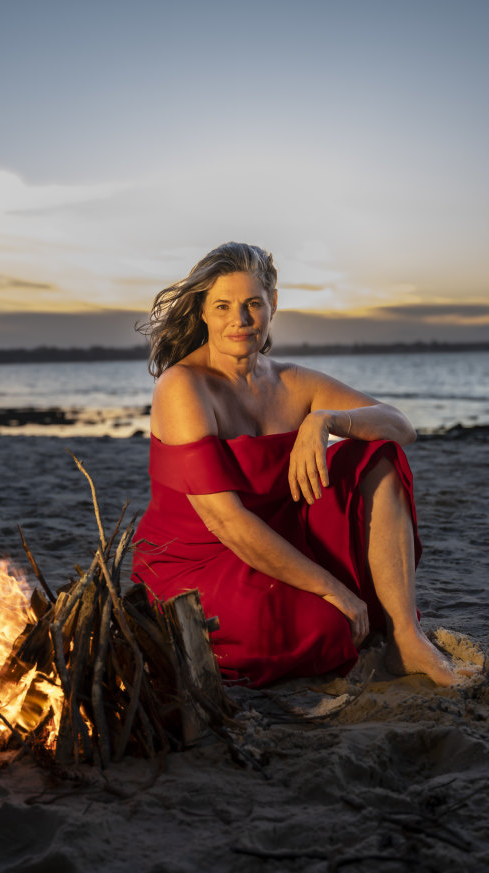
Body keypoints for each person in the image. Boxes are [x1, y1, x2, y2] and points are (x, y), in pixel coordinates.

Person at [131, 242, 474, 687]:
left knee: (377, 456)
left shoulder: (293, 381)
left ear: (273, 303)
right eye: (223, 306)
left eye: (253, 303)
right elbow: (227, 521)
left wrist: (326, 419)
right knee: (327, 626)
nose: (240, 319)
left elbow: (400, 426)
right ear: (202, 312)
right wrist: (331, 587)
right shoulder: (183, 386)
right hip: (201, 559)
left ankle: (407, 640)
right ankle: (343, 609)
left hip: (282, 534)